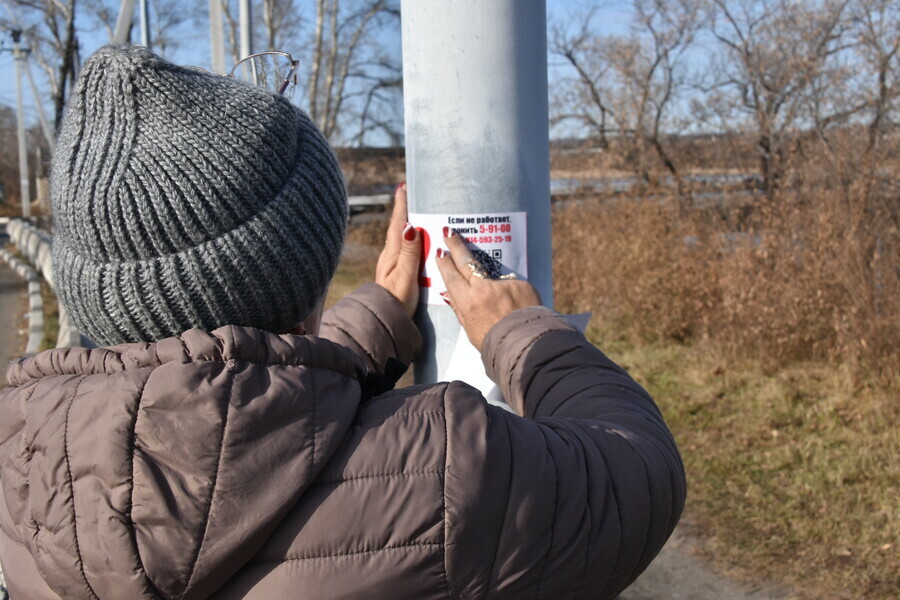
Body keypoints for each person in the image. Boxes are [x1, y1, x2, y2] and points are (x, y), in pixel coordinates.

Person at [0, 45, 685, 600]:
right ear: (296, 275)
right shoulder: (440, 475)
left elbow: (212, 413)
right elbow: (638, 472)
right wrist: (527, 332)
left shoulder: (21, 472)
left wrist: (378, 318)